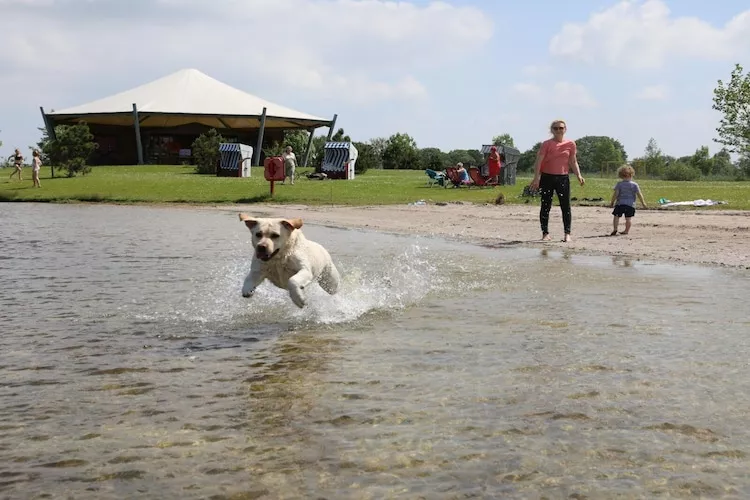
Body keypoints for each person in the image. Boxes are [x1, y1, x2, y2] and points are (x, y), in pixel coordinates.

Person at [531, 119, 585, 242]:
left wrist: (579, 175)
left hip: (563, 178)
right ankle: (545, 233)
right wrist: (536, 178)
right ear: (552, 130)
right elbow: (539, 161)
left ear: (565, 129)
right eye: (556, 128)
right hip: (547, 177)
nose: (558, 130)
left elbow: (573, 161)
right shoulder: (546, 144)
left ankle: (567, 233)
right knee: (545, 205)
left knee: (566, 206)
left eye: (561, 128)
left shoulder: (570, 144)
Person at [609, 164, 647, 235]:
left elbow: (615, 194)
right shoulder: (635, 185)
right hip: (630, 205)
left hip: (620, 204)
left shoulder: (619, 184)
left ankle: (615, 229)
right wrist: (643, 203)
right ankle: (626, 230)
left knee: (616, 216)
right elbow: (639, 194)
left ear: (620, 175)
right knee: (628, 219)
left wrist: (612, 202)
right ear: (632, 174)